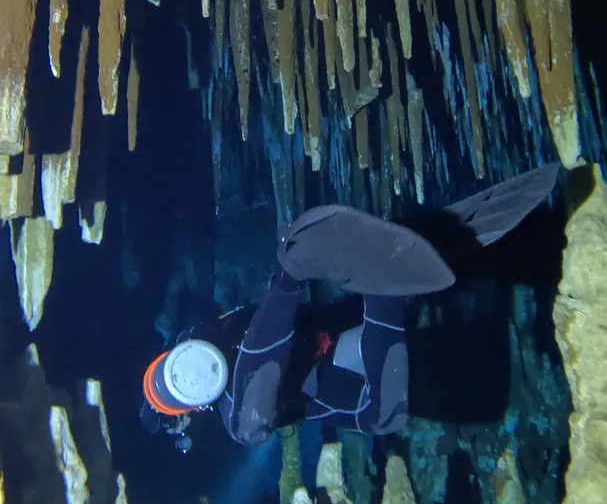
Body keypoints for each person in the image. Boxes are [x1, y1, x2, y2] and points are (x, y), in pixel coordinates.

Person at [140, 164, 560, 451]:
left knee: (379, 418)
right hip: (323, 332)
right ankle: (371, 276)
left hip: (325, 353)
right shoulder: (201, 333)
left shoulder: (231, 406)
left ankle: (335, 280)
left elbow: (252, 392)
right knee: (376, 383)